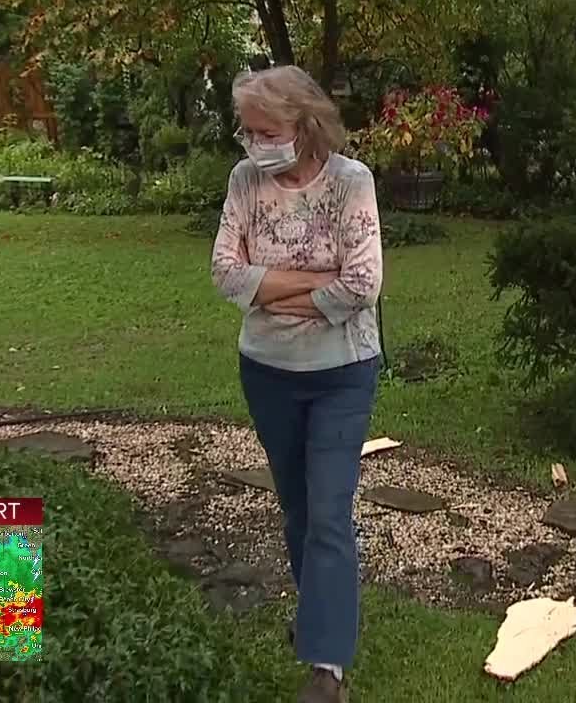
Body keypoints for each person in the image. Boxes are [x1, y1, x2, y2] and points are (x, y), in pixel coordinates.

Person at [210, 65, 382, 703]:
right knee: (298, 508)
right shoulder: (244, 181)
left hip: (342, 371)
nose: (254, 143)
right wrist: (316, 283)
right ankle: (321, 616)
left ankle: (326, 668)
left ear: (303, 123)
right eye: (247, 131)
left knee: (330, 512)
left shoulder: (351, 183)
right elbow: (227, 275)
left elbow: (364, 284)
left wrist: (270, 284)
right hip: (267, 373)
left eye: (265, 130)